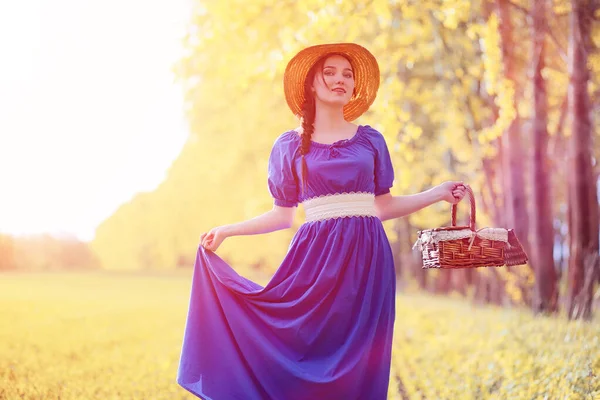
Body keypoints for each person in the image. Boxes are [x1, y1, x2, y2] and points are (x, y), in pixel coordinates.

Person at [177, 43, 466, 400]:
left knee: (358, 361)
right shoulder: (290, 146)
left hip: (368, 261)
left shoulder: (371, 140)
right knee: (301, 347)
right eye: (329, 72)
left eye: (347, 74)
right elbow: (283, 216)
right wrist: (228, 230)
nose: (340, 79)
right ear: (311, 84)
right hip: (314, 262)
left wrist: (438, 192)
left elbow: (384, 206)